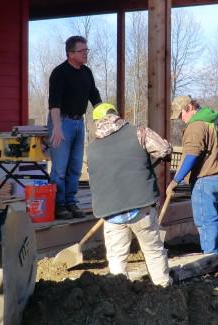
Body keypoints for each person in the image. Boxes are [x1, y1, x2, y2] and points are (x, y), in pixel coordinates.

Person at [88, 103, 172, 287]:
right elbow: (164, 150)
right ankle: (165, 292)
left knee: (116, 258)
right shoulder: (139, 133)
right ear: (116, 116)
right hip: (141, 205)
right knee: (153, 251)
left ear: (97, 122)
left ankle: (119, 298)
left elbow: (94, 176)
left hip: (110, 212)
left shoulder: (92, 148)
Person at [168, 96, 218, 257]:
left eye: (181, 115)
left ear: (189, 107)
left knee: (205, 220)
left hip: (206, 178)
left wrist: (176, 180)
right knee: (213, 217)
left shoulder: (196, 126)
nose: (181, 120)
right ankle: (213, 253)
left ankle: (210, 258)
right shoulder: (216, 119)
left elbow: (191, 156)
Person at [48, 35, 102, 219]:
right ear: (71, 54)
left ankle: (71, 202)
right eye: (82, 51)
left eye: (87, 50)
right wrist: (56, 127)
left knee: (76, 167)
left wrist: (105, 116)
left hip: (80, 123)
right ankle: (59, 205)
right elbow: (54, 103)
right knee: (60, 168)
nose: (86, 54)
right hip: (62, 122)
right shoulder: (59, 73)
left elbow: (94, 96)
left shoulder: (86, 72)